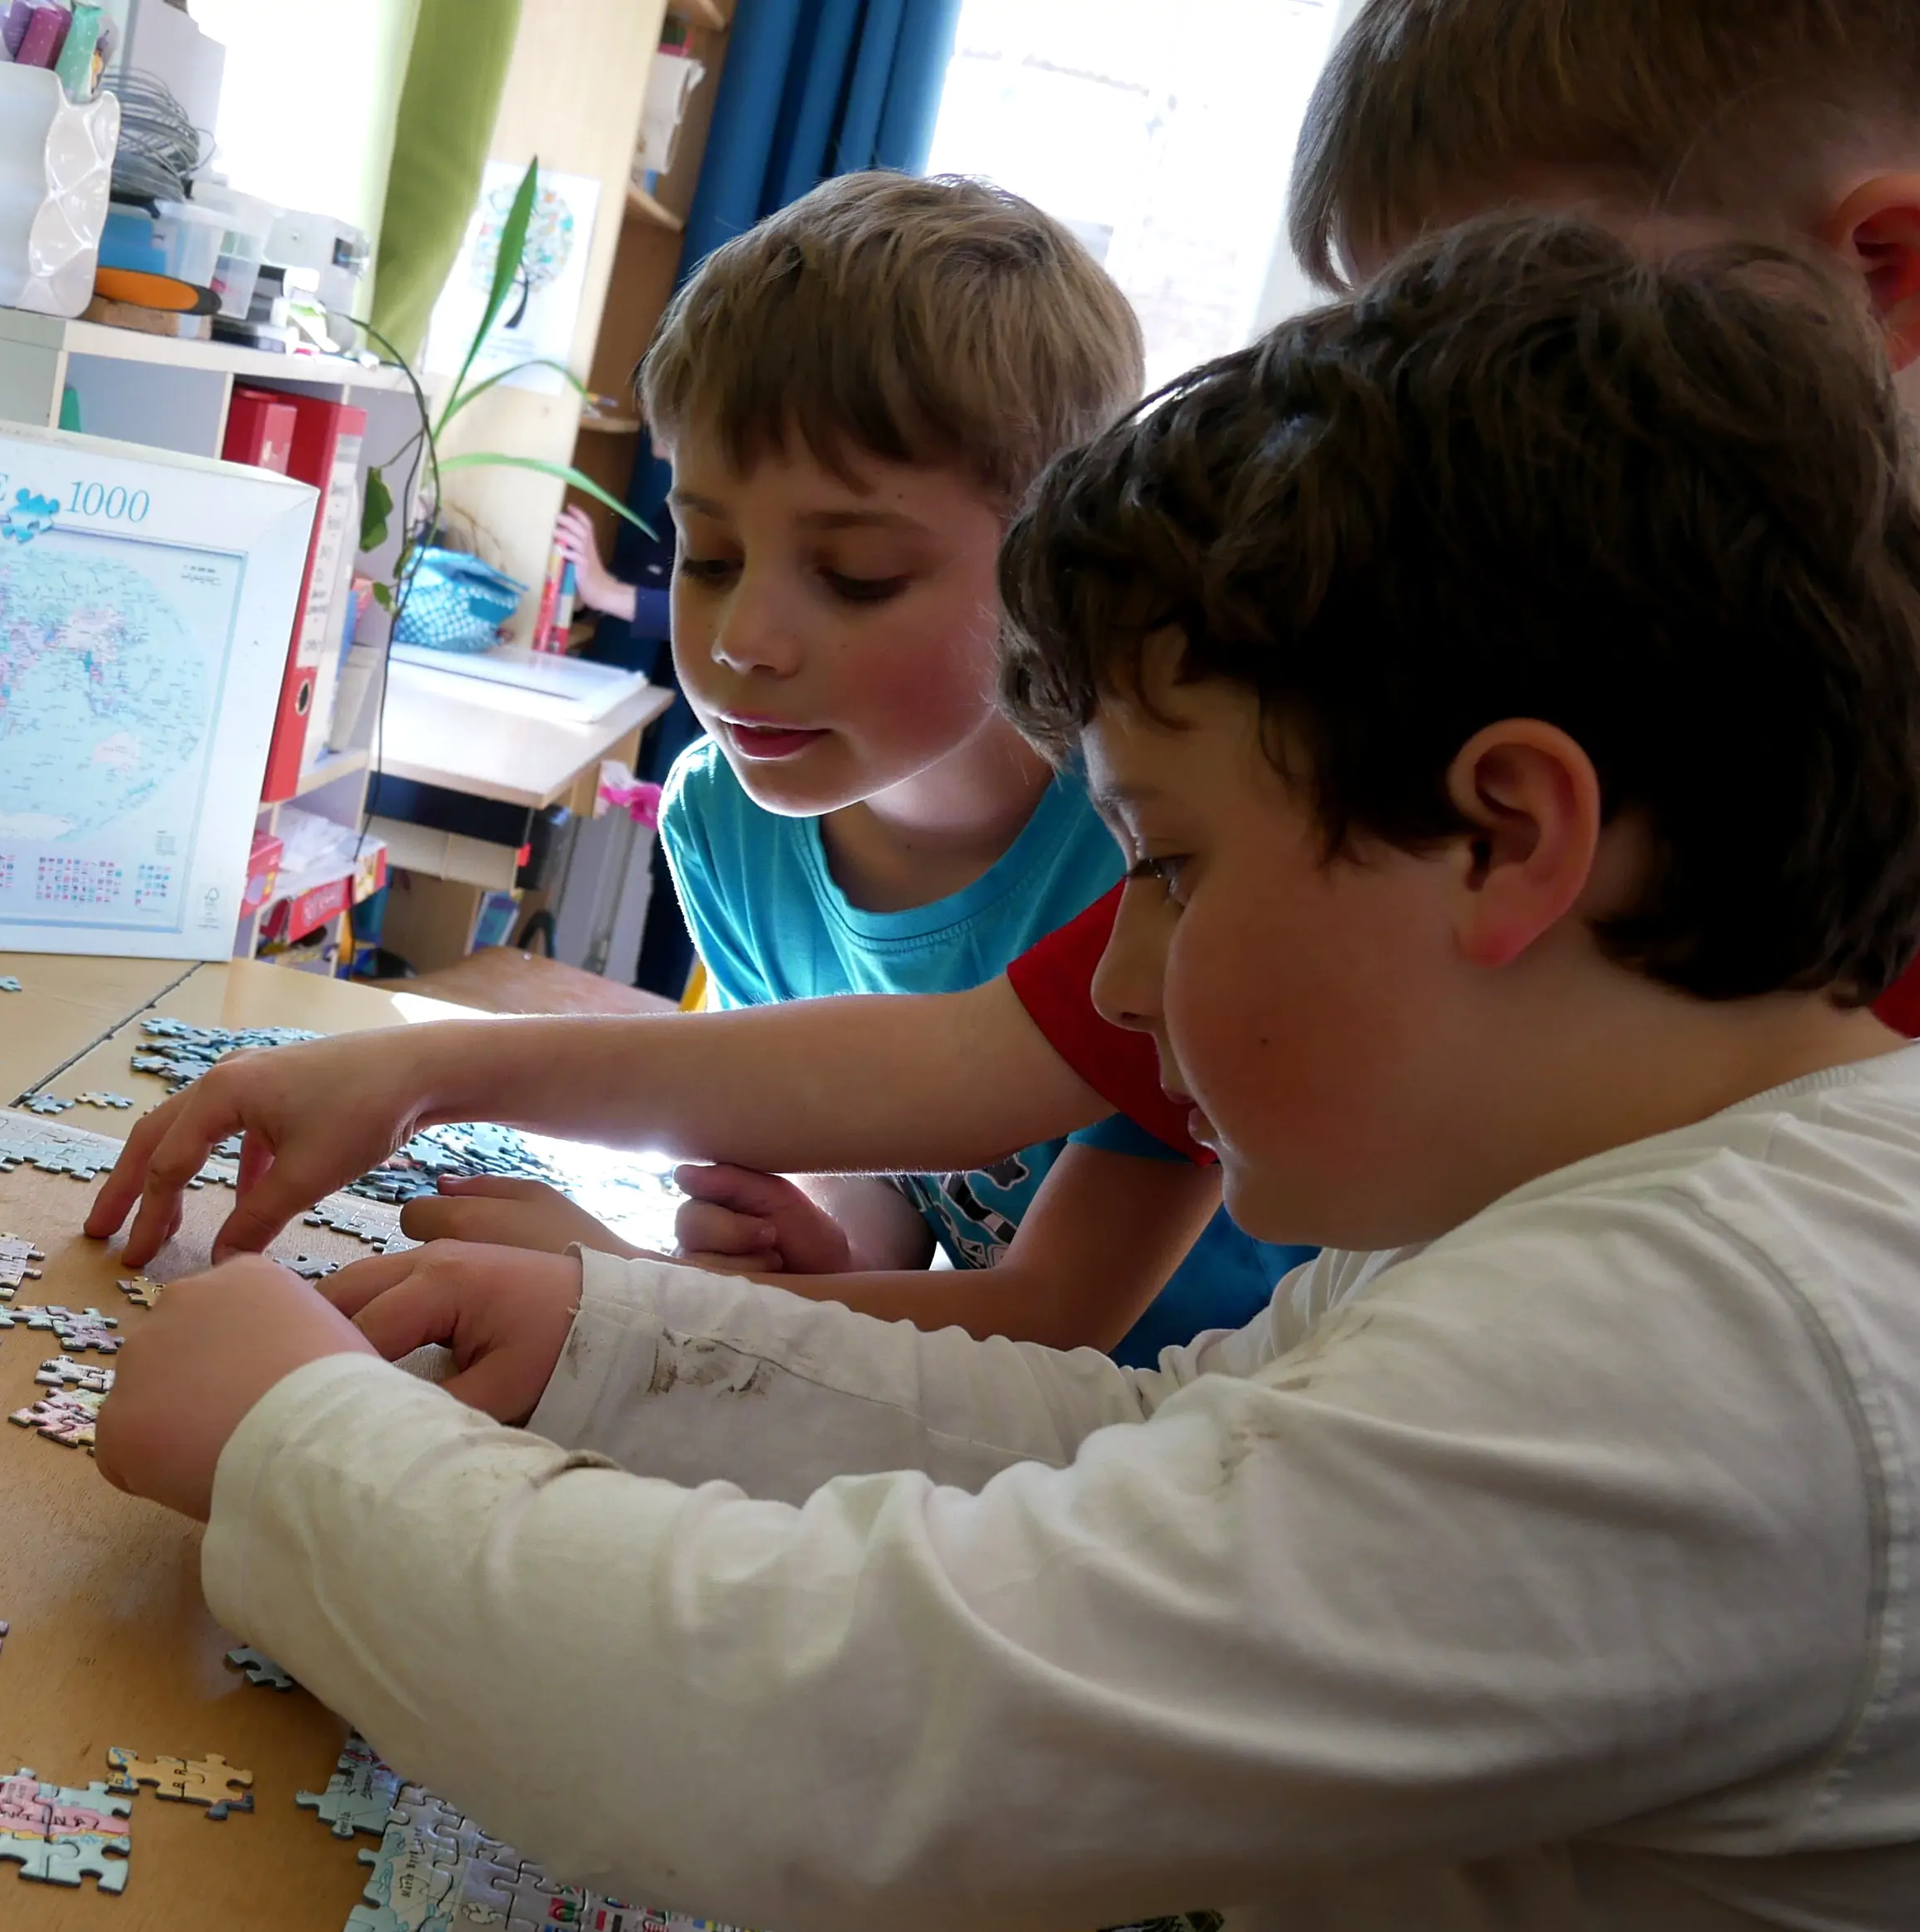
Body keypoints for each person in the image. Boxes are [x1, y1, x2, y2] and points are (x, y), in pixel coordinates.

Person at [92, 218, 1920, 1932]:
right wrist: (610, 1342)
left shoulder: (1762, 1344)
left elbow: (829, 1736)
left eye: (1167, 866)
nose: (1130, 977)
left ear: (1505, 836)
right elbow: (1161, 1436)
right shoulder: (1780, 1164)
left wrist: (288, 1448)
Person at [125, 0, 1920, 1314]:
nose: (1398, 420)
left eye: (1480, 316)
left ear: (1878, 276)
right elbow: (999, 1059)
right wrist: (421, 1080)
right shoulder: (1458, 693)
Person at [406, 168, 1302, 1359]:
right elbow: (893, 1188)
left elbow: (1056, 1324)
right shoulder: (724, 827)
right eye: (712, 557)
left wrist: (622, 1291)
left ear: (1054, 568)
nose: (740, 643)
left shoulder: (1156, 862)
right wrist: (832, 1251)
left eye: (858, 577)